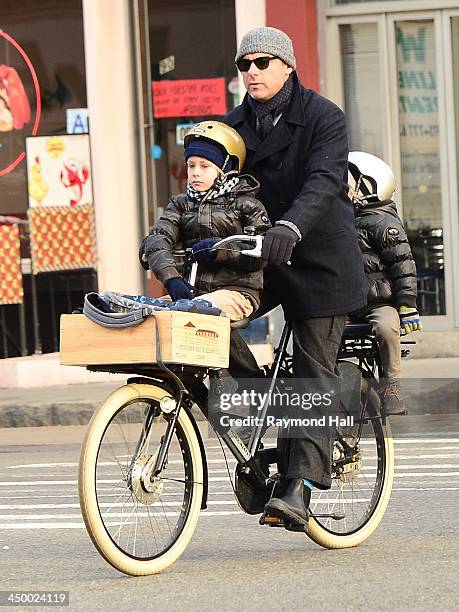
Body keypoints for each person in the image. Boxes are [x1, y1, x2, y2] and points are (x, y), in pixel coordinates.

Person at [224, 26, 367, 526]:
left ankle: (301, 487)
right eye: (245, 65)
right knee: (205, 324)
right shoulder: (234, 125)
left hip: (320, 260)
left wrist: (290, 224)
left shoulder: (323, 116)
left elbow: (324, 179)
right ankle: (256, 404)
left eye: (263, 62)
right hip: (264, 260)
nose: (253, 72)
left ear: (287, 66)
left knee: (311, 370)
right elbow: (220, 190)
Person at [139, 121, 270, 321]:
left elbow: (262, 250)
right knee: (149, 316)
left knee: (197, 312)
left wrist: (219, 250)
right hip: (193, 292)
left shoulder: (247, 204)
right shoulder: (180, 204)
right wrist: (171, 277)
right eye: (191, 165)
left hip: (237, 293)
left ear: (225, 170)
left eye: (205, 166)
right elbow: (158, 239)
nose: (195, 172)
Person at [348, 151, 422, 416]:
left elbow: (403, 264)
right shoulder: (341, 219)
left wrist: (406, 304)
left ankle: (392, 384)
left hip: (379, 300)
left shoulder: (384, 222)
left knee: (387, 327)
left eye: (347, 181)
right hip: (347, 300)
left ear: (368, 185)